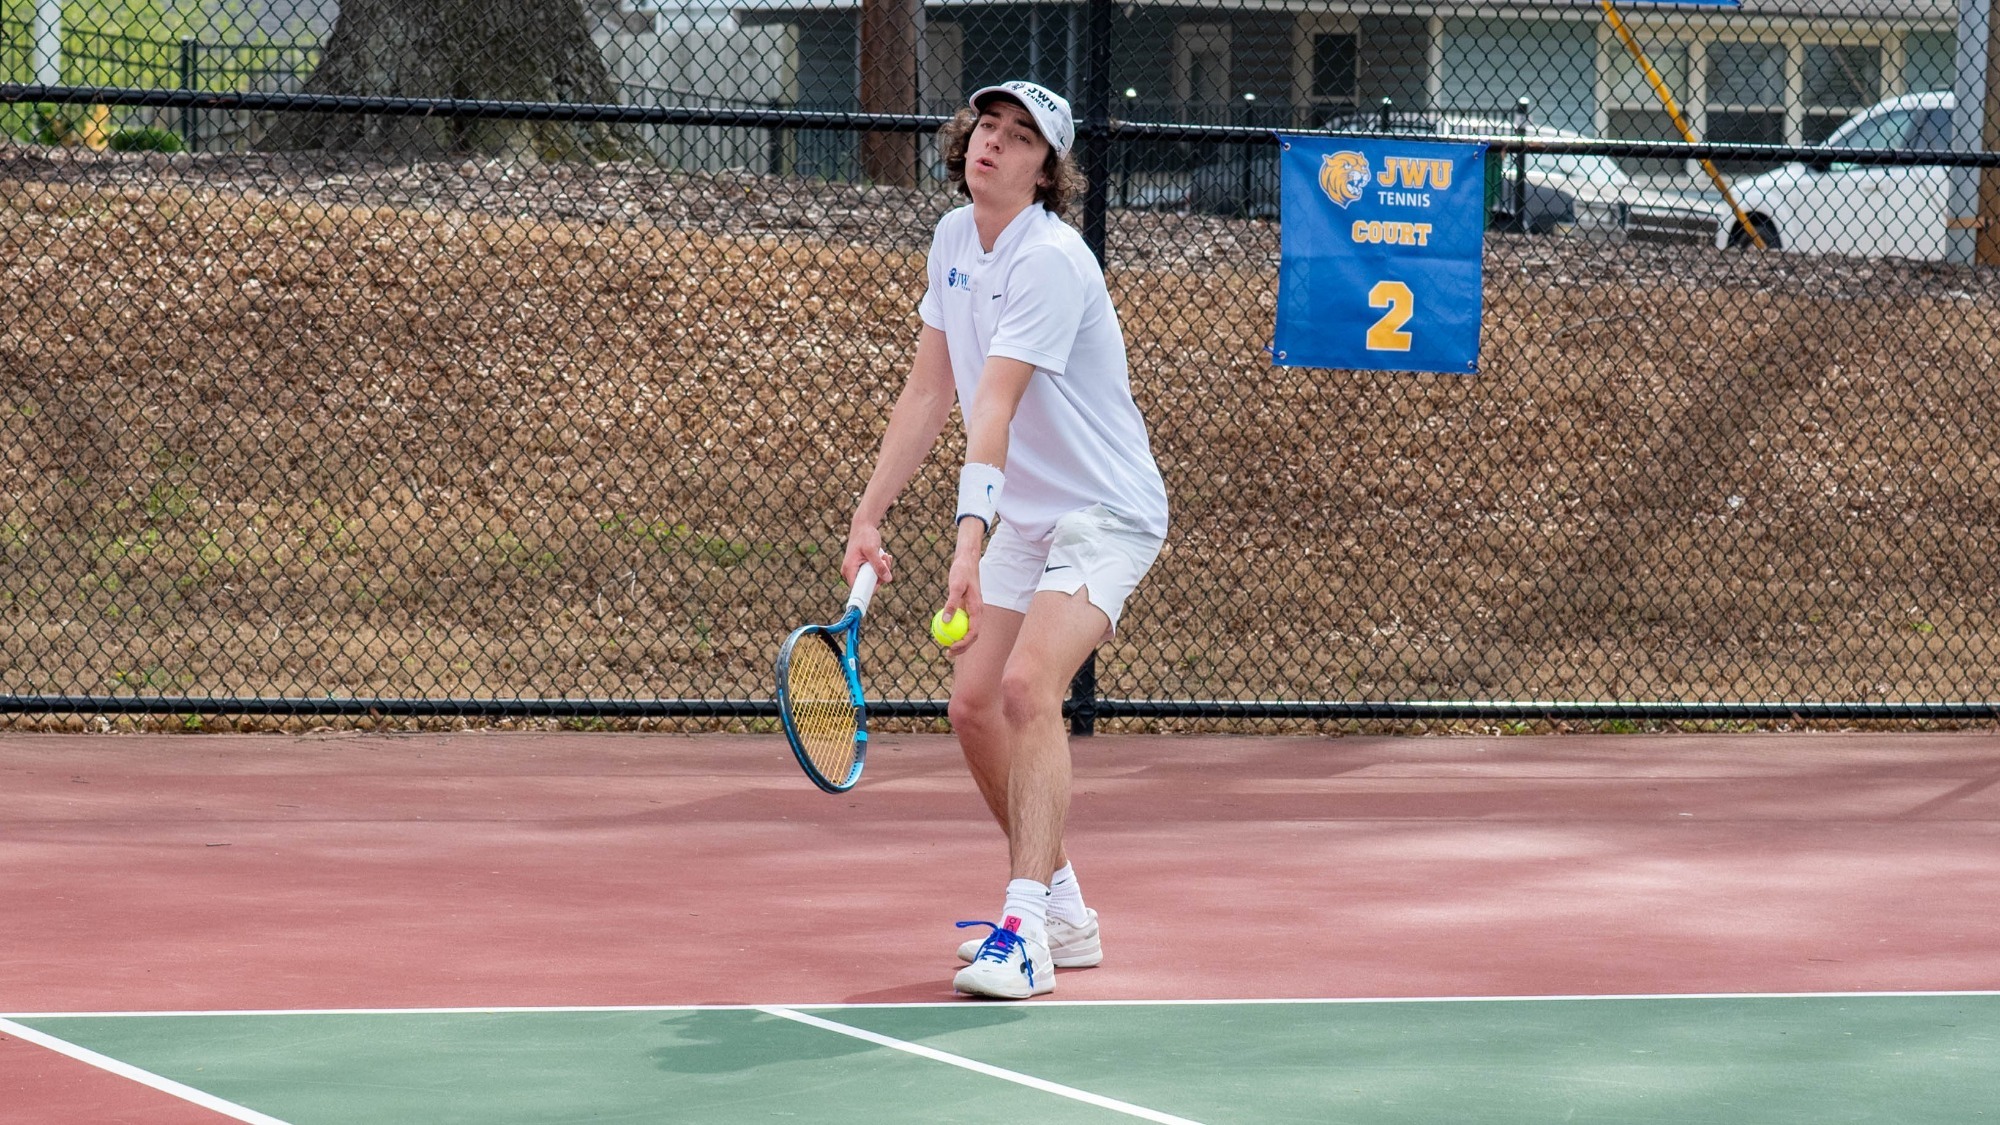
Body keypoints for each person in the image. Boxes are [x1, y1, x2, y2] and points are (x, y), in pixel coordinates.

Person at [842, 81, 1170, 1000]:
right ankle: (1062, 904)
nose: (994, 142)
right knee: (974, 705)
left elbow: (996, 404)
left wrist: (964, 544)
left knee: (1030, 688)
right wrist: (870, 515)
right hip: (1026, 509)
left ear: (1045, 171)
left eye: (1021, 136)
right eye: (988, 125)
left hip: (1105, 511)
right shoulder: (954, 241)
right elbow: (929, 393)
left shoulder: (1052, 260)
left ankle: (1024, 928)